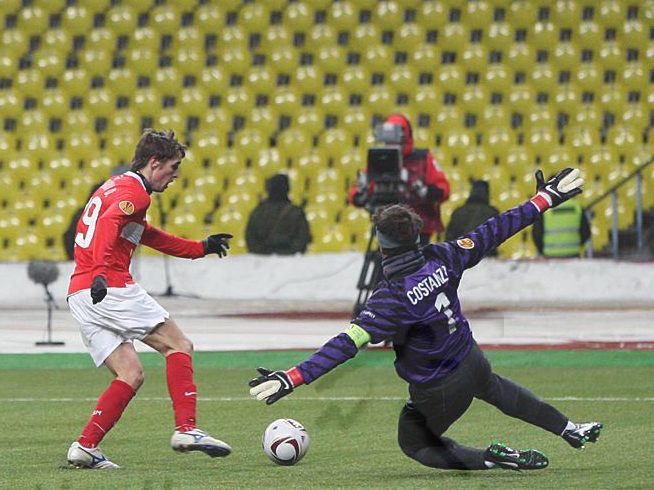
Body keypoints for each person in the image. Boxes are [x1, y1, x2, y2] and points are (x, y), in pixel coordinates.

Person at [250, 167, 603, 471]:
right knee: (494, 387)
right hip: (471, 359)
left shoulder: (390, 298)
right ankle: (569, 428)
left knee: (415, 442)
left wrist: (293, 377)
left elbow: (345, 344)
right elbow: (495, 229)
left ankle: (490, 459)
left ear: (382, 246)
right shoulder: (444, 255)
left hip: (438, 387)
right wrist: (545, 199)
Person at [65, 129, 233, 469]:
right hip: (108, 286)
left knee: (130, 373)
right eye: (173, 168)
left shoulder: (113, 186)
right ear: (154, 163)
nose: (174, 176)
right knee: (179, 345)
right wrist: (102, 272)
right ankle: (187, 429)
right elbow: (109, 224)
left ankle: (85, 446)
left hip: (80, 293)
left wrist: (199, 248)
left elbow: (145, 234)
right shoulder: (137, 195)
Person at [348, 114, 450, 244]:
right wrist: (361, 194)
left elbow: (443, 190)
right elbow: (357, 193)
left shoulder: (422, 158)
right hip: (388, 228)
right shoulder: (380, 157)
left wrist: (424, 191)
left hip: (418, 229)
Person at [245, 173, 311, 255]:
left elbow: (251, 240)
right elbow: (302, 240)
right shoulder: (296, 212)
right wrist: (288, 253)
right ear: (288, 189)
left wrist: (263, 253)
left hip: (262, 259)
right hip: (290, 259)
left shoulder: (258, 212)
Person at [445, 180, 500, 257]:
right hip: (484, 255)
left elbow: (449, 235)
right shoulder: (492, 212)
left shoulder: (459, 211)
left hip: (460, 254)